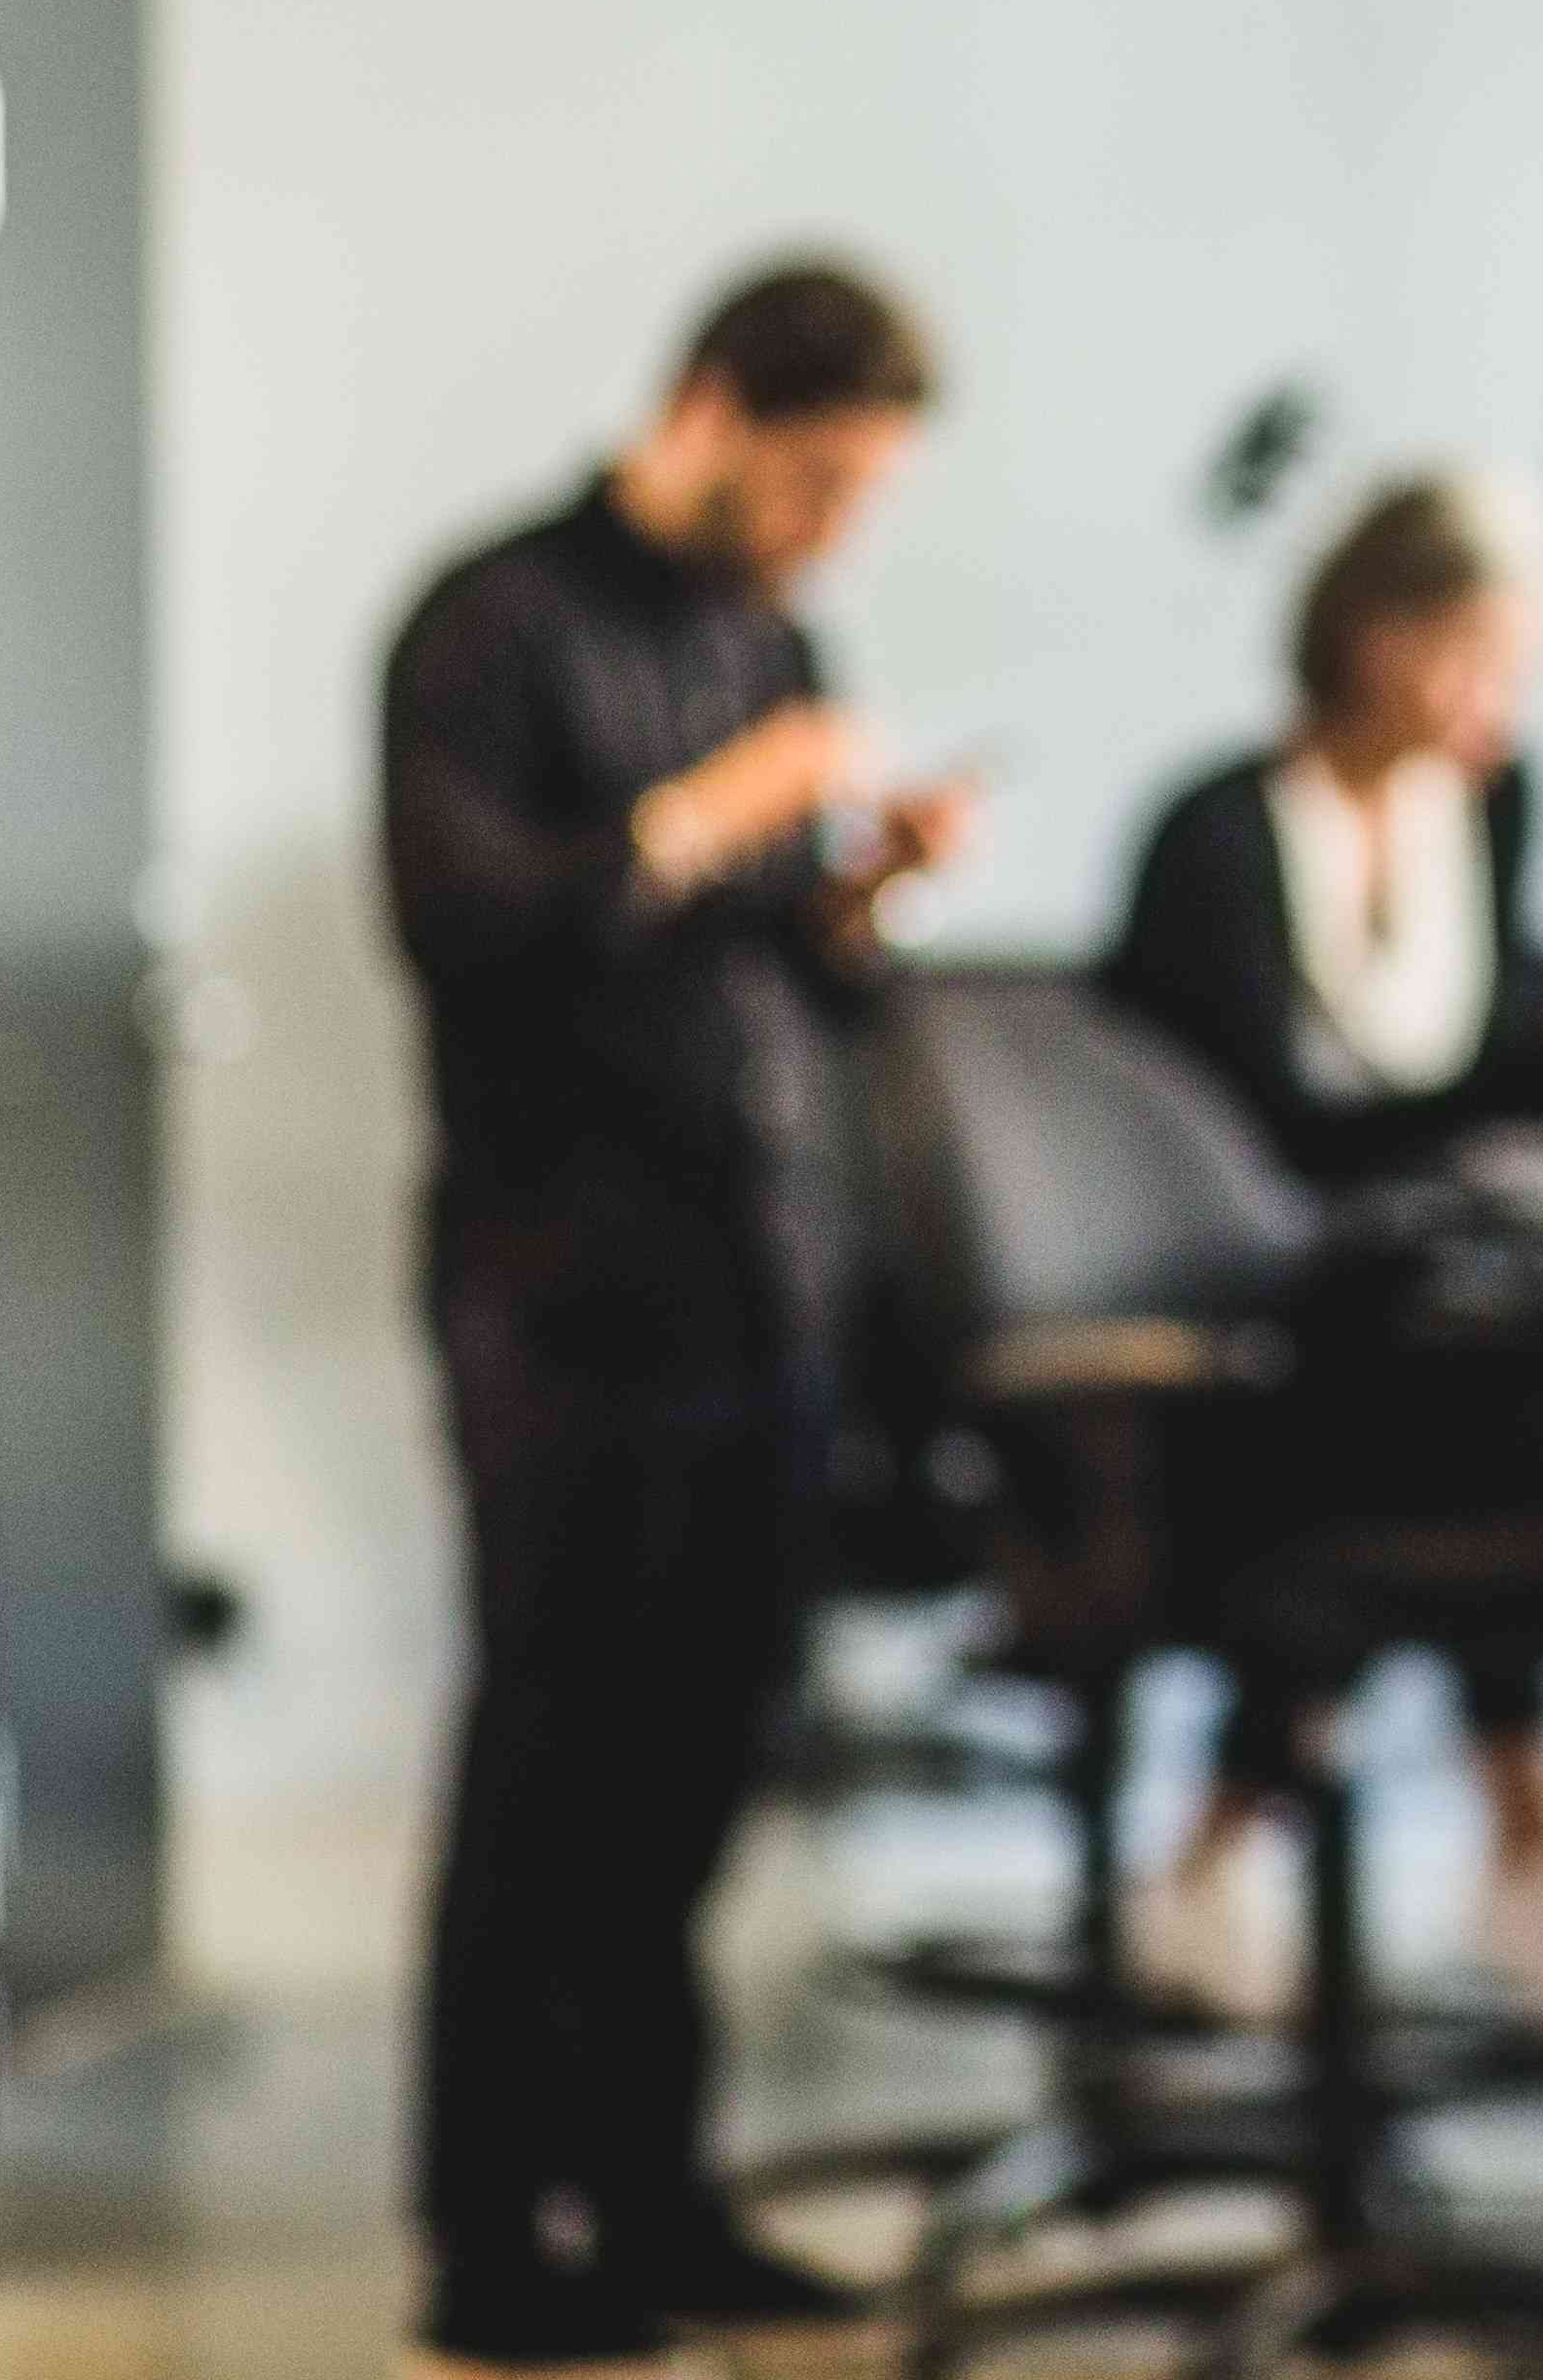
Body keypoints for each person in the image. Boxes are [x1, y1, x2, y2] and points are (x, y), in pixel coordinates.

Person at [381, 262, 976, 2366]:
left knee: (704, 1768)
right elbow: (465, 928)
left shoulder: (772, 636)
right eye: (812, 478)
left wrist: (857, 888)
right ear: (713, 407)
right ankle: (486, 2235)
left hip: (761, 1279)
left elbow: (778, 981)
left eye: (858, 495)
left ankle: (652, 2196)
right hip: (557, 1288)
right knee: (551, 1753)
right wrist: (713, 809)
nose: (830, 529)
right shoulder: (492, 626)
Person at [1100, 468, 1543, 2075]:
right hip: (1241, 1325)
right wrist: (1536, 1062)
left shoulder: (1490, 810)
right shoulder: (1217, 839)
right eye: (1479, 660)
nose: (1499, 707)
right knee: (1461, 1374)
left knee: (1486, 1329)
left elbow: (1482, 1054)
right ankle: (1530, 1836)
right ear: (1382, 642)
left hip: (1411, 1322)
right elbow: (1276, 1132)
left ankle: (1244, 1837)